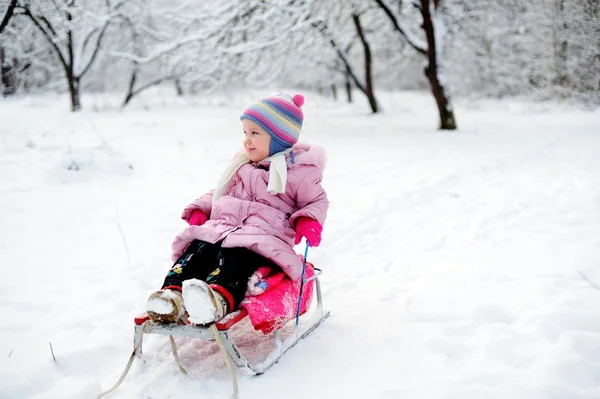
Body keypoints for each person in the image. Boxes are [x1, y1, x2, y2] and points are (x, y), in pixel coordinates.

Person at [146, 91, 329, 325]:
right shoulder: (242, 164)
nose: (247, 140)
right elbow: (220, 192)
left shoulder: (300, 172)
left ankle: (215, 300)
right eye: (245, 132)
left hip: (262, 239)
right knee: (196, 251)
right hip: (223, 229)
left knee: (236, 261)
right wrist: (202, 208)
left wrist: (307, 220)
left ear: (279, 138)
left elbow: (316, 201)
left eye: (255, 133)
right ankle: (171, 296)